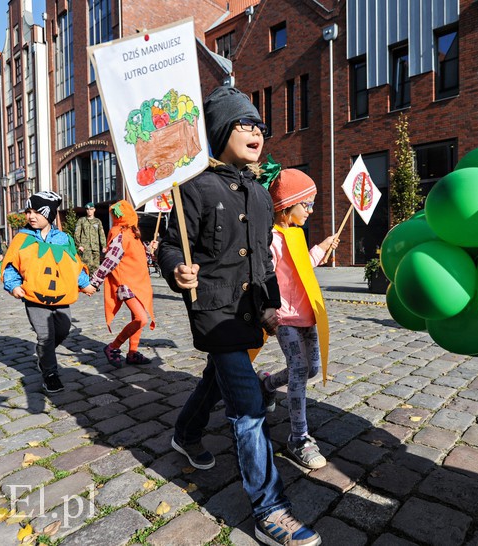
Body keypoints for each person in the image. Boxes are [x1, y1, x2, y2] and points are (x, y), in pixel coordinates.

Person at [158, 86, 321, 546]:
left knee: (219, 376)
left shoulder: (260, 193)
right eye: (244, 124)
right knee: (248, 404)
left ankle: (186, 431)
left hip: (249, 314)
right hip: (214, 311)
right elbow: (171, 245)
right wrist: (176, 268)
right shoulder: (193, 187)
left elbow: (264, 263)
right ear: (220, 131)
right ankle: (270, 509)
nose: (256, 132)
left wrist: (270, 306)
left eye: (259, 126)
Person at [259, 166, 338, 470]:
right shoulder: (272, 239)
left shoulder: (296, 234)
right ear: (286, 206)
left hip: (308, 315)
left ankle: (267, 385)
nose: (311, 210)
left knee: (312, 370)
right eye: (307, 204)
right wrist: (271, 312)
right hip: (285, 318)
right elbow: (267, 276)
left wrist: (321, 248)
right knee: (299, 369)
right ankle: (299, 437)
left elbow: (302, 266)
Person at [1, 191, 96, 394]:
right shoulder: (22, 238)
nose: (31, 216)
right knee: (45, 336)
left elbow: (74, 265)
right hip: (34, 296)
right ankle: (50, 374)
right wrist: (13, 285)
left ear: (50, 214)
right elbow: (11, 265)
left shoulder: (63, 239)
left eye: (37, 212)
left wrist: (84, 283)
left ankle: (44, 355)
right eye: (28, 212)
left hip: (60, 295)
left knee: (63, 329)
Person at [89, 200, 156, 367]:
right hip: (125, 283)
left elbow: (136, 255)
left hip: (138, 281)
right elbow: (110, 261)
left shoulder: (133, 232)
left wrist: (150, 249)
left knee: (137, 317)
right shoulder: (121, 234)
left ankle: (132, 353)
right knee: (141, 318)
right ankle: (113, 347)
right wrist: (94, 282)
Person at [75, 202, 106, 274]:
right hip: (85, 248)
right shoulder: (82, 220)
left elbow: (101, 234)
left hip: (95, 248)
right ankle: (86, 283)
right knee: (86, 267)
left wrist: (104, 246)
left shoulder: (97, 221)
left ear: (94, 210)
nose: (89, 211)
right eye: (87, 209)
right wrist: (79, 245)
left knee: (96, 267)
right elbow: (77, 233)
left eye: (91, 209)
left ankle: (94, 284)